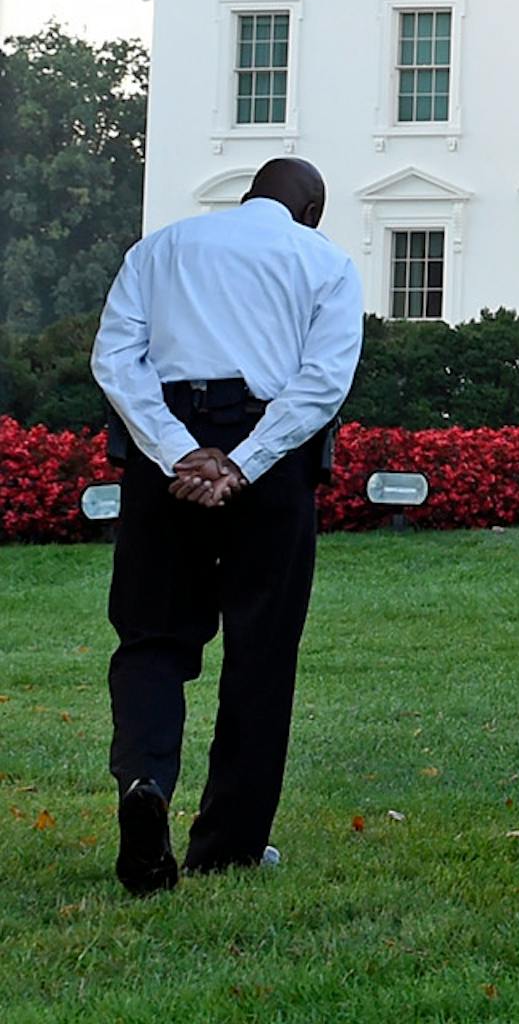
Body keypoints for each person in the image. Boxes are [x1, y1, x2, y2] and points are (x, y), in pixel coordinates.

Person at [89, 157, 363, 895]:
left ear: (249, 195)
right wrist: (244, 463)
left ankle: (144, 785)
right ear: (311, 210)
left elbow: (115, 360)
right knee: (261, 651)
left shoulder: (159, 250)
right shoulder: (325, 262)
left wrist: (181, 452)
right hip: (267, 458)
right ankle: (230, 845)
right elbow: (321, 384)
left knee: (151, 636)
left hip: (165, 453)